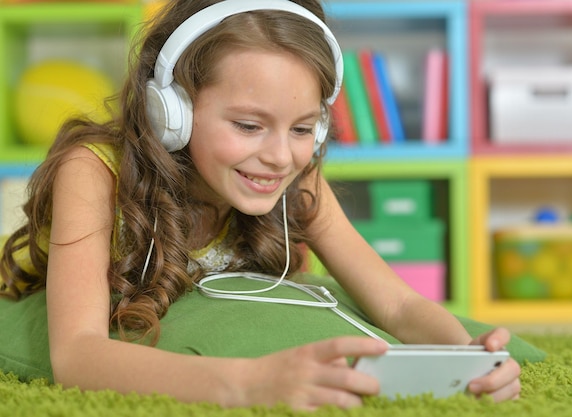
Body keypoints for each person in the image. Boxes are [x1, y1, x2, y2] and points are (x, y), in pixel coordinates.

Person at [0, 0, 521, 410]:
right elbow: (76, 355)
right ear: (171, 111)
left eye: (301, 129)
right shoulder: (92, 171)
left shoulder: (298, 174)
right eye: (248, 126)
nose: (278, 157)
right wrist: (248, 382)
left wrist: (468, 356)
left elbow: (399, 305)